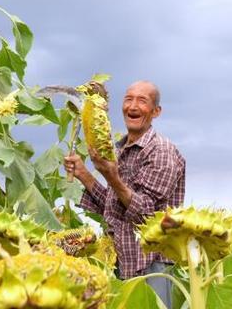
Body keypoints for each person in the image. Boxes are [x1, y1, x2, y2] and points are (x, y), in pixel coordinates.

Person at [64, 80, 185, 307]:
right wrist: (84, 174)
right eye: (128, 99)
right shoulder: (121, 150)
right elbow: (114, 208)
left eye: (142, 100)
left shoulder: (162, 151)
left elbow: (146, 216)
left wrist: (111, 176)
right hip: (122, 261)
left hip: (151, 265)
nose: (133, 106)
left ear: (156, 111)